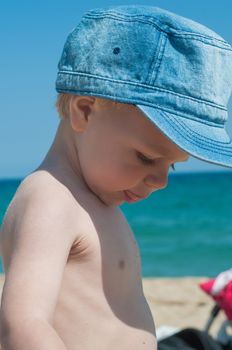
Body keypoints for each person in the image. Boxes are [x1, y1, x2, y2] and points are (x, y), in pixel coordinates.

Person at [0, 5, 232, 350]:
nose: (161, 181)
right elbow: (21, 324)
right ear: (85, 111)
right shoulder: (50, 198)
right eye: (147, 157)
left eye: (171, 165)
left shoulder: (93, 202)